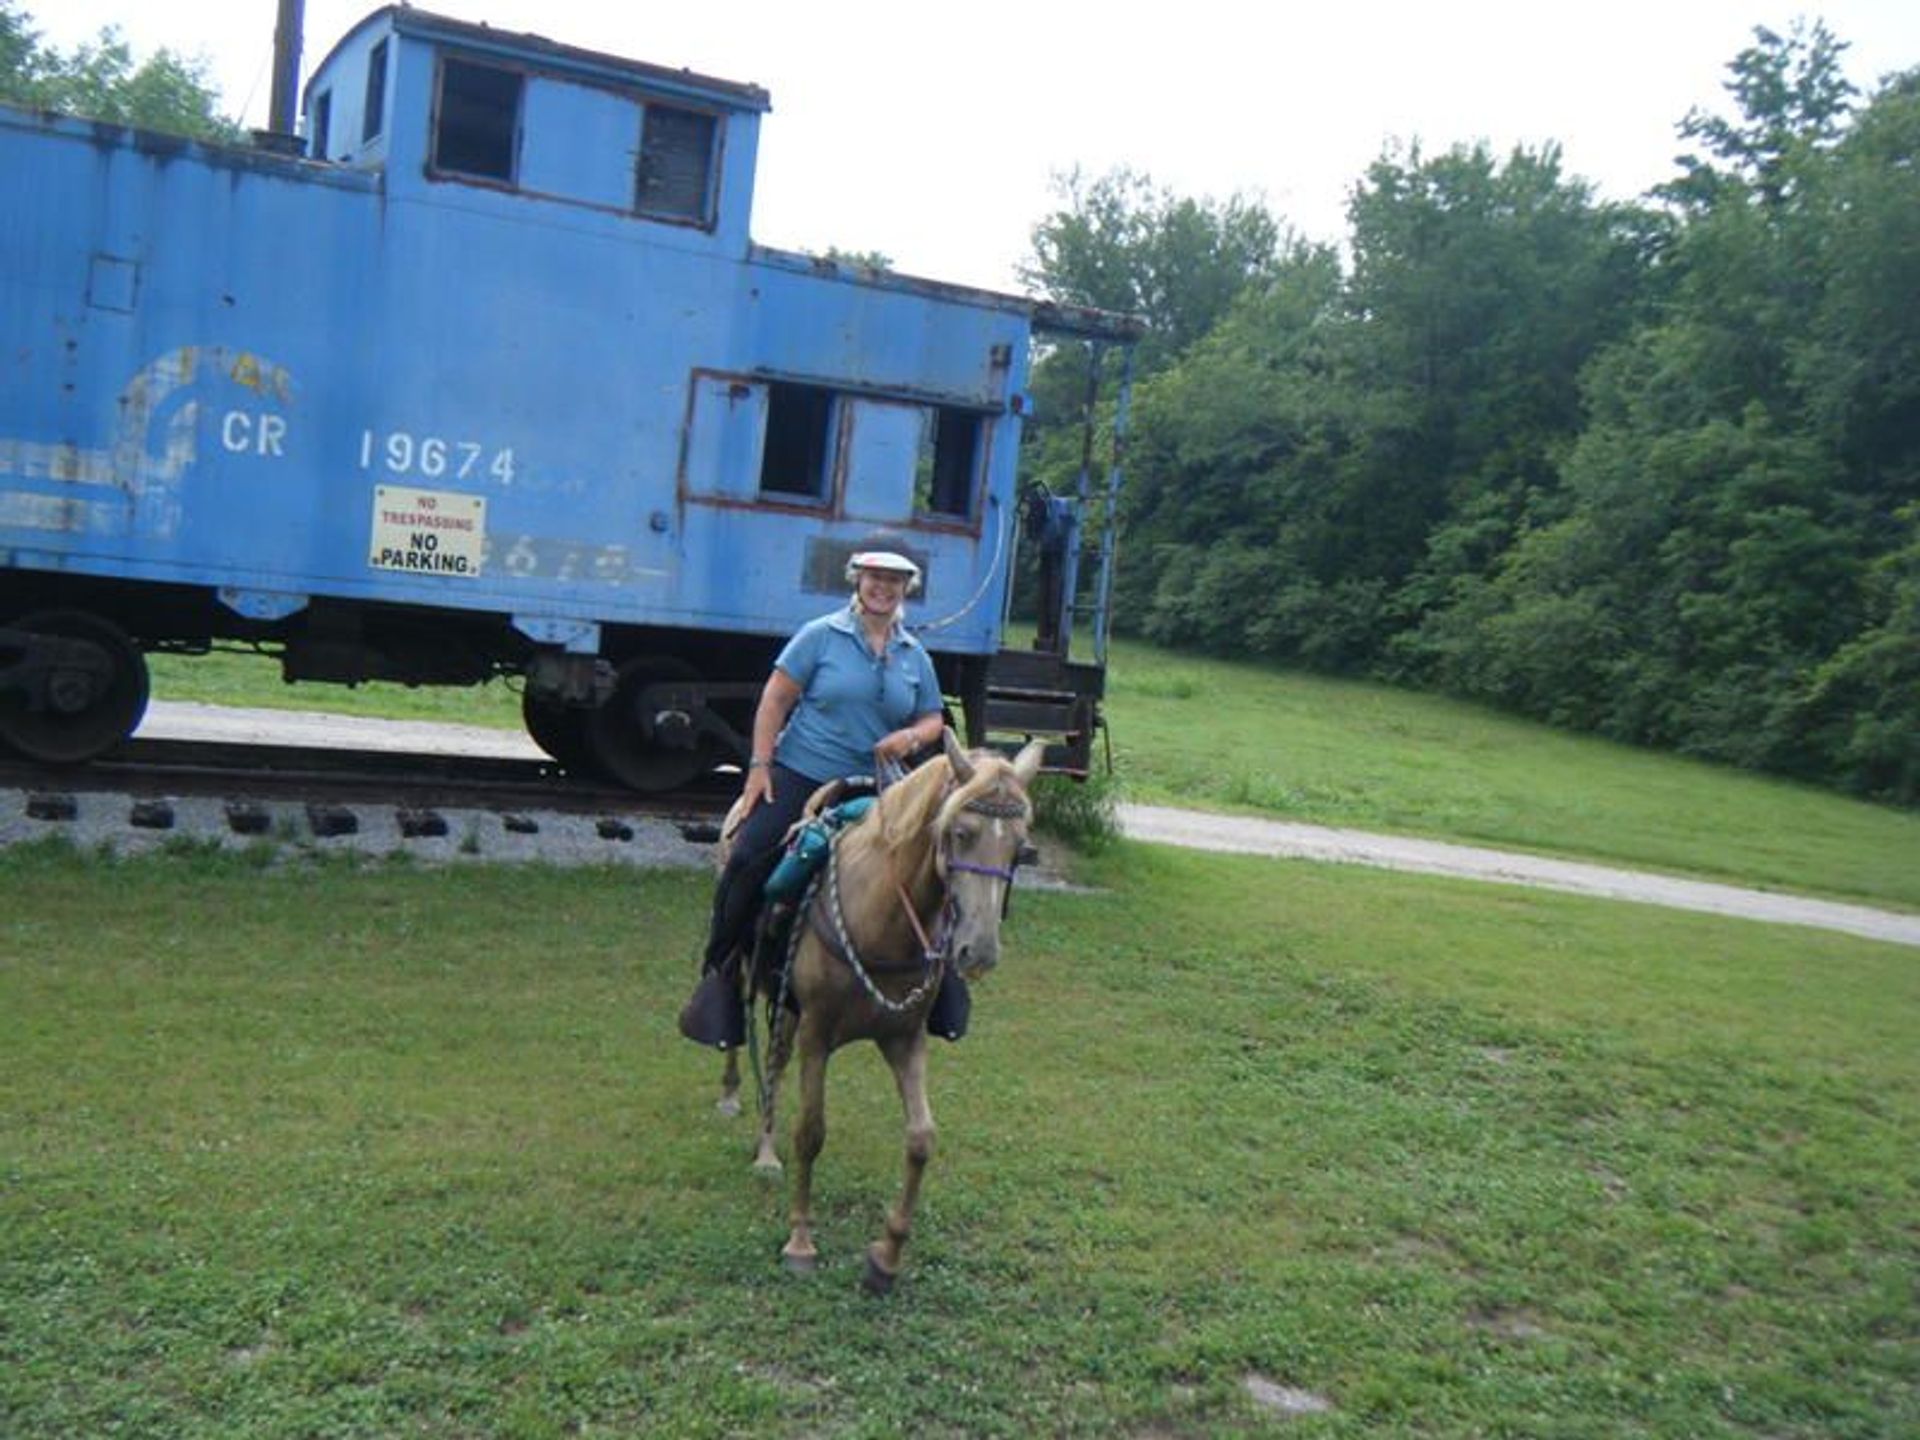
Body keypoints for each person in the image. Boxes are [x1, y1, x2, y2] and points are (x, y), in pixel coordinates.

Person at [678, 549, 947, 1048]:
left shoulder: (914, 654)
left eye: (893, 581)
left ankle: (942, 988)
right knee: (749, 855)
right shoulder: (820, 635)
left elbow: (933, 718)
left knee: (939, 863)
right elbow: (775, 699)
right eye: (874, 578)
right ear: (857, 581)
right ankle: (721, 974)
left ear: (906, 589)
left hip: (881, 784)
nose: (882, 588)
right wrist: (760, 768)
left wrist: (910, 740)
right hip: (805, 773)